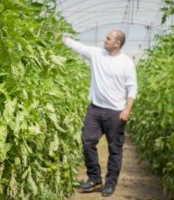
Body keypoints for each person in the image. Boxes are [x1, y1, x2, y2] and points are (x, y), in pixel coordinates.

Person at [62, 30, 138, 197]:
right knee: (87, 141)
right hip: (95, 109)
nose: (105, 40)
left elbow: (132, 87)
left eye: (108, 39)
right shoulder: (97, 54)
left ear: (117, 44)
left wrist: (127, 109)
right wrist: (63, 39)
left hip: (116, 113)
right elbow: (79, 47)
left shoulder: (126, 63)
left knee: (115, 149)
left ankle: (110, 184)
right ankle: (95, 178)